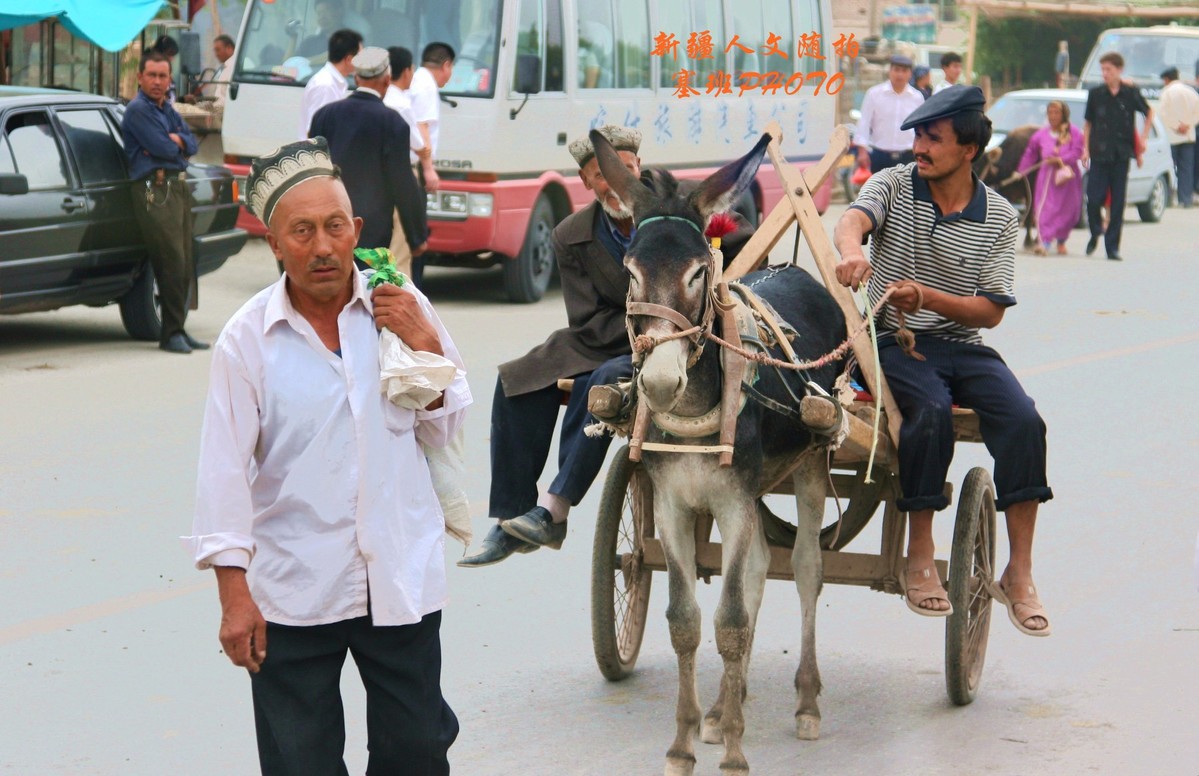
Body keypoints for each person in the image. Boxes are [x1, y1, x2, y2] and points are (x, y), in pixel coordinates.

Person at [185, 136, 469, 774]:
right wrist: (234, 597)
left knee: (418, 750)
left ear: (357, 230)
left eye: (335, 227)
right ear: (275, 244)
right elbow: (223, 473)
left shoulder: (402, 306)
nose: (322, 246)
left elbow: (446, 427)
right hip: (294, 588)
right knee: (300, 762)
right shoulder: (247, 341)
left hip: (398, 575)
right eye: (303, 231)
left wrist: (426, 347)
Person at [833, 85, 1053, 637]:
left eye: (933, 139)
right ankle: (920, 552)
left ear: (968, 149)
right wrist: (854, 251)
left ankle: (1020, 573)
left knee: (1025, 422)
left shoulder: (1000, 216)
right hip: (890, 342)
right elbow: (850, 221)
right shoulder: (892, 184)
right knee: (929, 411)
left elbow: (990, 312)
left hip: (963, 344)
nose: (920, 148)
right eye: (917, 137)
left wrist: (927, 296)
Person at [457, 126, 643, 567]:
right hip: (608, 334)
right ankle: (512, 518)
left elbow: (736, 235)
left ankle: (554, 508)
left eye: (627, 170)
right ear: (586, 182)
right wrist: (639, 321)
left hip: (676, 336)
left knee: (599, 384)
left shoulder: (673, 206)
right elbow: (586, 319)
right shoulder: (570, 233)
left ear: (640, 168)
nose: (615, 182)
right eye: (602, 174)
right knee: (517, 379)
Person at [120, 50, 206, 355]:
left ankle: (178, 327)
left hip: (176, 188)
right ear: (140, 77)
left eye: (163, 76)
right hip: (153, 190)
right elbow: (162, 147)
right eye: (152, 76)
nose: (157, 82)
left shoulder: (165, 108)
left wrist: (179, 141)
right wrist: (175, 143)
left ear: (170, 79)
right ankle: (170, 334)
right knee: (170, 261)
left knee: (184, 260)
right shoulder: (138, 110)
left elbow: (192, 144)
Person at [309, 47, 428, 258]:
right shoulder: (393, 123)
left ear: (356, 77)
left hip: (329, 220)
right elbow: (402, 182)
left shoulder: (324, 115)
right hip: (372, 227)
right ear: (387, 80)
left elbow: (314, 170)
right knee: (364, 283)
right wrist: (416, 237)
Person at [1082, 52, 1152, 262]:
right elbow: (1088, 124)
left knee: (1118, 202)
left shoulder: (1130, 93)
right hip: (1099, 154)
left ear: (1119, 70)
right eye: (1102, 70)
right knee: (1094, 198)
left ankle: (1112, 247)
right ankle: (1095, 231)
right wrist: (1085, 149)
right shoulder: (1096, 94)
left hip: (1121, 154)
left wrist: (1143, 141)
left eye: (1108, 70)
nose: (1104, 74)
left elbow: (1149, 113)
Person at [384, 45, 433, 280]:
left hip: (373, 178)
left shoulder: (380, 98)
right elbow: (418, 144)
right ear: (406, 71)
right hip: (401, 176)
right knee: (400, 246)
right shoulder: (401, 104)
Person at [1016, 100, 1085, 255]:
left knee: (1070, 211)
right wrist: (1022, 170)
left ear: (1064, 114)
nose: (1053, 116)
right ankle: (1044, 242)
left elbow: (1077, 151)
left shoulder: (1073, 133)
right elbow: (1030, 152)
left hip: (1067, 178)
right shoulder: (1040, 134)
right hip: (1047, 179)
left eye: (1056, 113)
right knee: (1044, 209)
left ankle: (1061, 240)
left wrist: (1061, 159)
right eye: (1050, 113)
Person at [855, 55, 925, 174]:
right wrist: (862, 151)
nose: (900, 75)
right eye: (896, 70)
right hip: (879, 156)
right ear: (890, 71)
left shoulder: (917, 97)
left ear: (910, 74)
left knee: (905, 192)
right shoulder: (874, 94)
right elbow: (864, 123)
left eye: (904, 71)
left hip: (907, 157)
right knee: (879, 192)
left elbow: (922, 127)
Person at [408, 42, 456, 194]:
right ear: (446, 65)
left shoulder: (418, 79)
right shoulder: (426, 86)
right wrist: (428, 169)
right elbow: (422, 127)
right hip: (416, 163)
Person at [297, 28, 362, 140]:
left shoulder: (334, 82)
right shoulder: (325, 86)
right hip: (320, 155)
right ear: (349, 59)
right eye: (360, 57)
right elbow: (316, 133)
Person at [1158, 67, 1199, 209]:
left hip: (1172, 137)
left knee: (1168, 167)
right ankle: (1185, 199)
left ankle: (1168, 199)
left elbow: (1163, 114)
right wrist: (1188, 125)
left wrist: (1176, 126)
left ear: (1167, 79)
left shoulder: (1166, 93)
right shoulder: (1191, 92)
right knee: (1186, 169)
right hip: (1188, 136)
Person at [208, 34, 235, 109]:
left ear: (229, 48)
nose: (216, 54)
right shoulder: (225, 67)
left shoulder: (234, 67)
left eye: (218, 50)